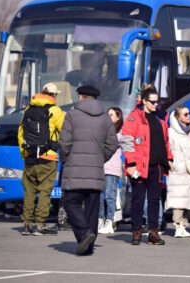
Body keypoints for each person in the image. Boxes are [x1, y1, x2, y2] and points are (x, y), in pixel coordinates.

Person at [59, 85, 118, 255]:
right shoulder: (106, 118)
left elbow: (64, 144)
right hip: (95, 172)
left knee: (70, 203)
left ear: (82, 97)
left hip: (74, 171)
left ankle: (85, 233)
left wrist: (66, 160)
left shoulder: (71, 115)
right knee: (92, 209)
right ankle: (88, 246)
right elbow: (112, 144)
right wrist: (100, 159)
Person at [121, 87, 173, 246]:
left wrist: (169, 158)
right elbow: (127, 142)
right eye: (152, 102)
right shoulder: (134, 118)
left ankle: (153, 232)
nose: (156, 104)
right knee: (137, 199)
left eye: (157, 101)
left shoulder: (160, 118)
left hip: (157, 165)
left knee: (154, 199)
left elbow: (165, 142)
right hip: (138, 166)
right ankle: (136, 231)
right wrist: (131, 163)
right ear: (144, 101)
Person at [18, 82, 65, 235]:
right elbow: (64, 132)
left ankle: (26, 225)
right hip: (48, 157)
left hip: (30, 156)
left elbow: (21, 133)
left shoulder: (28, 109)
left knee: (29, 191)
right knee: (45, 191)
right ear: (54, 95)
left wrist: (24, 153)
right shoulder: (55, 111)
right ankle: (40, 225)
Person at [166, 105, 190, 238]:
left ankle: (184, 225)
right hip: (178, 170)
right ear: (177, 117)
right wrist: (170, 162)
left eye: (189, 113)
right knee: (178, 200)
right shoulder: (170, 132)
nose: (188, 116)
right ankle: (177, 225)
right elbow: (166, 147)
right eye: (185, 114)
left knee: (189, 199)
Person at [98, 107, 124, 234]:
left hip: (112, 168)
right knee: (99, 196)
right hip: (100, 167)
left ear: (118, 117)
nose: (108, 116)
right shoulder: (102, 130)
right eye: (107, 114)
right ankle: (100, 220)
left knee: (110, 196)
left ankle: (110, 221)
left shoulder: (121, 132)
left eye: (111, 114)